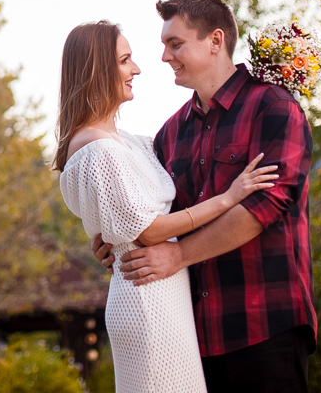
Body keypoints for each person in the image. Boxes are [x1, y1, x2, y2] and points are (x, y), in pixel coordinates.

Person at [93, 0, 317, 393]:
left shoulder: (274, 107)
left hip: (265, 325)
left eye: (175, 44)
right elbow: (155, 218)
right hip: (192, 335)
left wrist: (178, 255)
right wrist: (118, 238)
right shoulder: (170, 133)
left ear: (215, 41)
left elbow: (264, 207)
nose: (165, 56)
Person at [55, 20, 278, 393]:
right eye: (124, 60)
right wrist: (229, 196)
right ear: (97, 70)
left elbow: (123, 220)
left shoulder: (129, 142)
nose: (136, 69)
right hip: (147, 298)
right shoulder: (98, 148)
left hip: (163, 291)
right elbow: (149, 231)